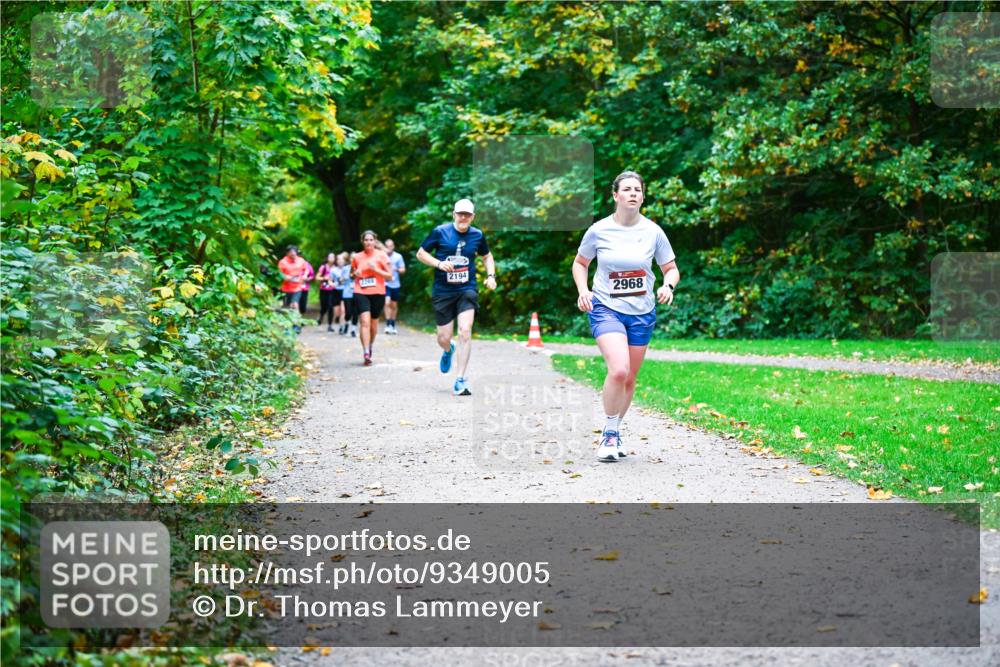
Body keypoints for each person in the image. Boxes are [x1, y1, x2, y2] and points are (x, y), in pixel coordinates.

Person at [572, 171, 679, 462]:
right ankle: (607, 433)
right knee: (618, 369)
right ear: (615, 195)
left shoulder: (653, 232)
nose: (633, 193)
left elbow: (670, 268)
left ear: (642, 197)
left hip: (642, 313)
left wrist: (668, 285)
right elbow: (580, 263)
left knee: (630, 377)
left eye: (638, 190)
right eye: (627, 189)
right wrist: (584, 291)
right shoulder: (599, 230)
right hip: (606, 307)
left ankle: (616, 431)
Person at [415, 198, 496, 396]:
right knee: (443, 337)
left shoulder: (477, 235)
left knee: (465, 330)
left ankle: (460, 379)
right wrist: (438, 264)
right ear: (454, 214)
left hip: (466, 289)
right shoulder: (440, 232)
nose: (463, 217)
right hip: (443, 290)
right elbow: (421, 253)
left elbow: (487, 256)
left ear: (472, 217)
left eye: (467, 214)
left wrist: (491, 276)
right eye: (460, 213)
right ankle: (448, 349)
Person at [352, 231, 393, 366]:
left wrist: (376, 269)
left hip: (378, 292)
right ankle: (365, 352)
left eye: (371, 240)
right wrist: (355, 273)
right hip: (361, 291)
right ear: (362, 241)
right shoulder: (357, 257)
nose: (369, 242)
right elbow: (352, 274)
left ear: (375, 241)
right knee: (365, 321)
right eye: (366, 240)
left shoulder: (382, 255)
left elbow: (390, 276)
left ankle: (370, 346)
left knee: (373, 324)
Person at [277, 246, 308, 332]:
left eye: (295, 255)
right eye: (291, 255)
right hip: (286, 288)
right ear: (287, 254)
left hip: (297, 287)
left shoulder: (301, 260)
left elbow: (306, 269)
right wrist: (285, 277)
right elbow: (279, 274)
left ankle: (296, 325)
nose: (294, 257)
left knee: (294, 305)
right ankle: (287, 325)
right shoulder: (282, 262)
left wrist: (305, 275)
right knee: (287, 307)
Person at [383, 239, 406, 335]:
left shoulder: (398, 256)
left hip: (395, 284)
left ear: (393, 246)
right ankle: (388, 324)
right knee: (386, 302)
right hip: (385, 284)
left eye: (391, 246)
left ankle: (392, 324)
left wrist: (396, 269)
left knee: (394, 305)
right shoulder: (381, 256)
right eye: (387, 246)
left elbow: (403, 270)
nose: (389, 248)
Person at [316, 253, 341, 331]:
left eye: (333, 257)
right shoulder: (323, 267)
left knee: (330, 307)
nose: (331, 258)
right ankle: (321, 316)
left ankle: (330, 325)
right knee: (324, 307)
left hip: (332, 290)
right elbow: (317, 277)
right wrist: (324, 278)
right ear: (327, 258)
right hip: (323, 290)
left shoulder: (336, 268)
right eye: (330, 257)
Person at [341, 252, 358, 337]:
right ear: (350, 259)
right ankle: (347, 324)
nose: (353, 259)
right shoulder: (345, 268)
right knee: (348, 312)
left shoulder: (360, 268)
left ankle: (353, 330)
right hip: (347, 293)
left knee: (355, 312)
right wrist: (344, 278)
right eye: (352, 258)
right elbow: (341, 280)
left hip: (357, 293)